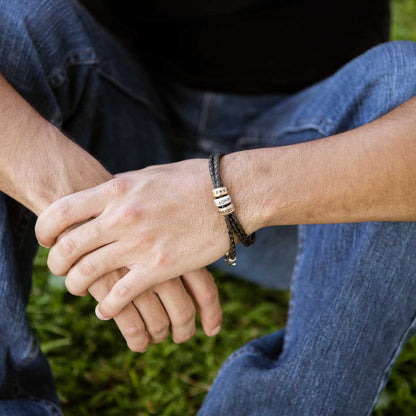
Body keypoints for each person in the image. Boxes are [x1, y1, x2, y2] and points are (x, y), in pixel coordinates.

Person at [0, 0, 415, 414]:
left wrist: (227, 196)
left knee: (402, 85)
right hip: (117, 136)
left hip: (312, 182)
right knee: (22, 22)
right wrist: (78, 196)